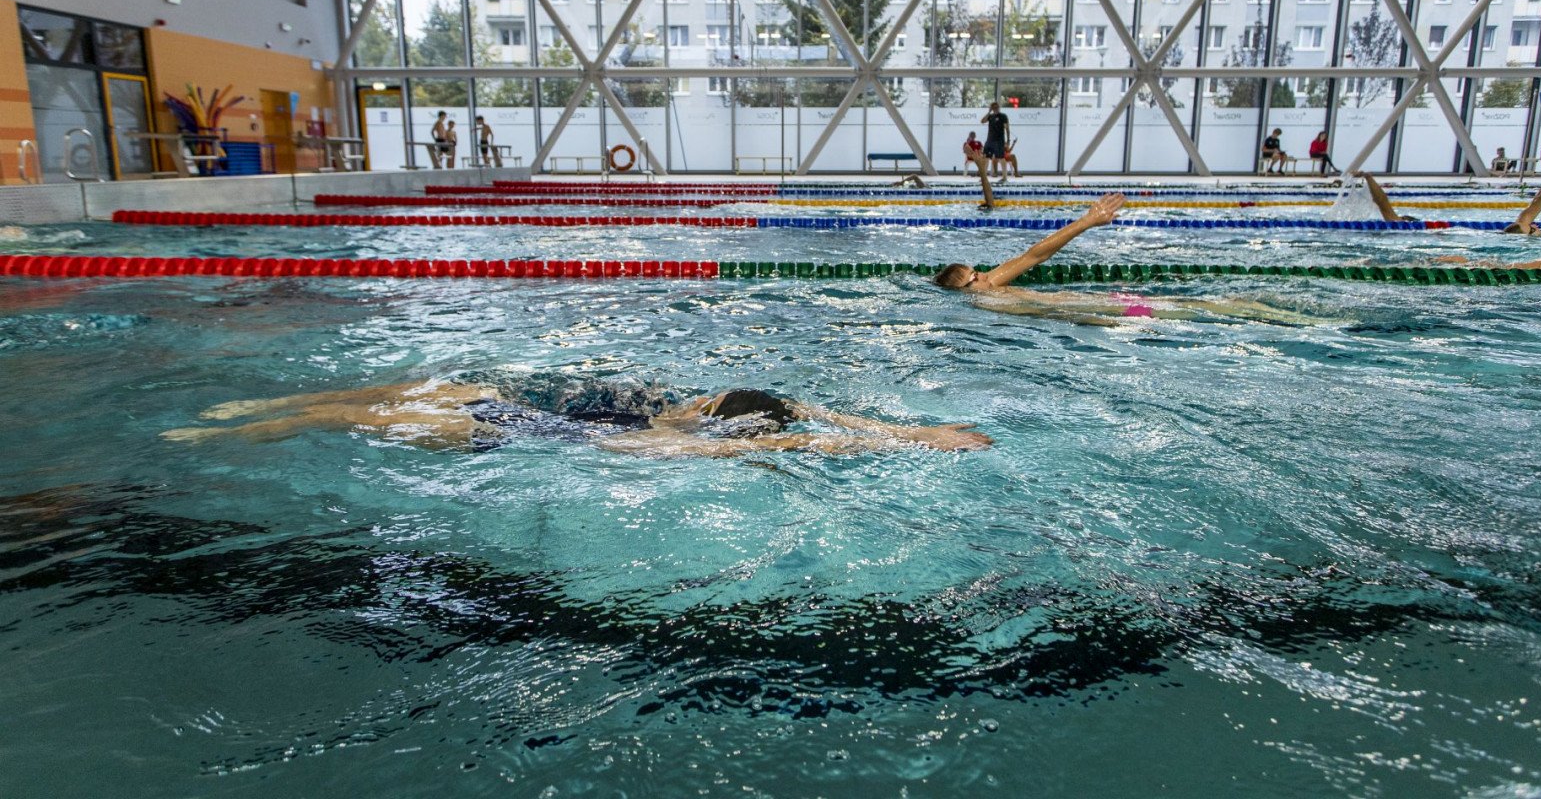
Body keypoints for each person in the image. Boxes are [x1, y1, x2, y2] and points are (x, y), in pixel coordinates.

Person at [160, 374, 992, 455]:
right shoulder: (689, 438)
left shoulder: (689, 430)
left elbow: (805, 432)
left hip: (510, 417)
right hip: (516, 423)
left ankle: (255, 410)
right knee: (364, 414)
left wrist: (911, 436)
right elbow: (809, 427)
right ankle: (251, 416)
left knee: (367, 408)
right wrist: (911, 436)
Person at [931, 194, 1314, 324]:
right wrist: (1103, 322)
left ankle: (1276, 313)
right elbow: (1050, 312)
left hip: (1106, 304)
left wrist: (1086, 221)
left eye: (977, 271)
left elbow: (1035, 254)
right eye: (974, 277)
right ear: (965, 292)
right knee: (1200, 309)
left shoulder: (990, 289)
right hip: (1110, 310)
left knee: (1199, 306)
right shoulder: (990, 300)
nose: (983, 275)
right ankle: (1294, 318)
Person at [1358, 136, 1541, 269]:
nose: (1537, 226)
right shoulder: (1522, 228)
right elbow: (1540, 200)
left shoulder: (1506, 238)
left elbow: (1384, 207)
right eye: (1533, 226)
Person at [962, 133, 995, 211]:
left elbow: (982, 149)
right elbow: (965, 150)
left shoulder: (978, 142)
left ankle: (981, 169)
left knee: (989, 204)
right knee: (990, 204)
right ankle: (981, 169)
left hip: (978, 156)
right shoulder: (968, 142)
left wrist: (980, 152)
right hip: (973, 156)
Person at [981, 102, 1011, 175]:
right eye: (994, 107)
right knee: (985, 157)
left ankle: (1004, 177)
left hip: (999, 140)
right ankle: (984, 177)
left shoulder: (1003, 116)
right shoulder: (990, 116)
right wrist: (989, 112)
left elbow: (1007, 129)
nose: (996, 108)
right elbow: (982, 121)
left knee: (1001, 158)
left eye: (997, 107)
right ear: (992, 108)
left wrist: (1008, 140)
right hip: (990, 140)